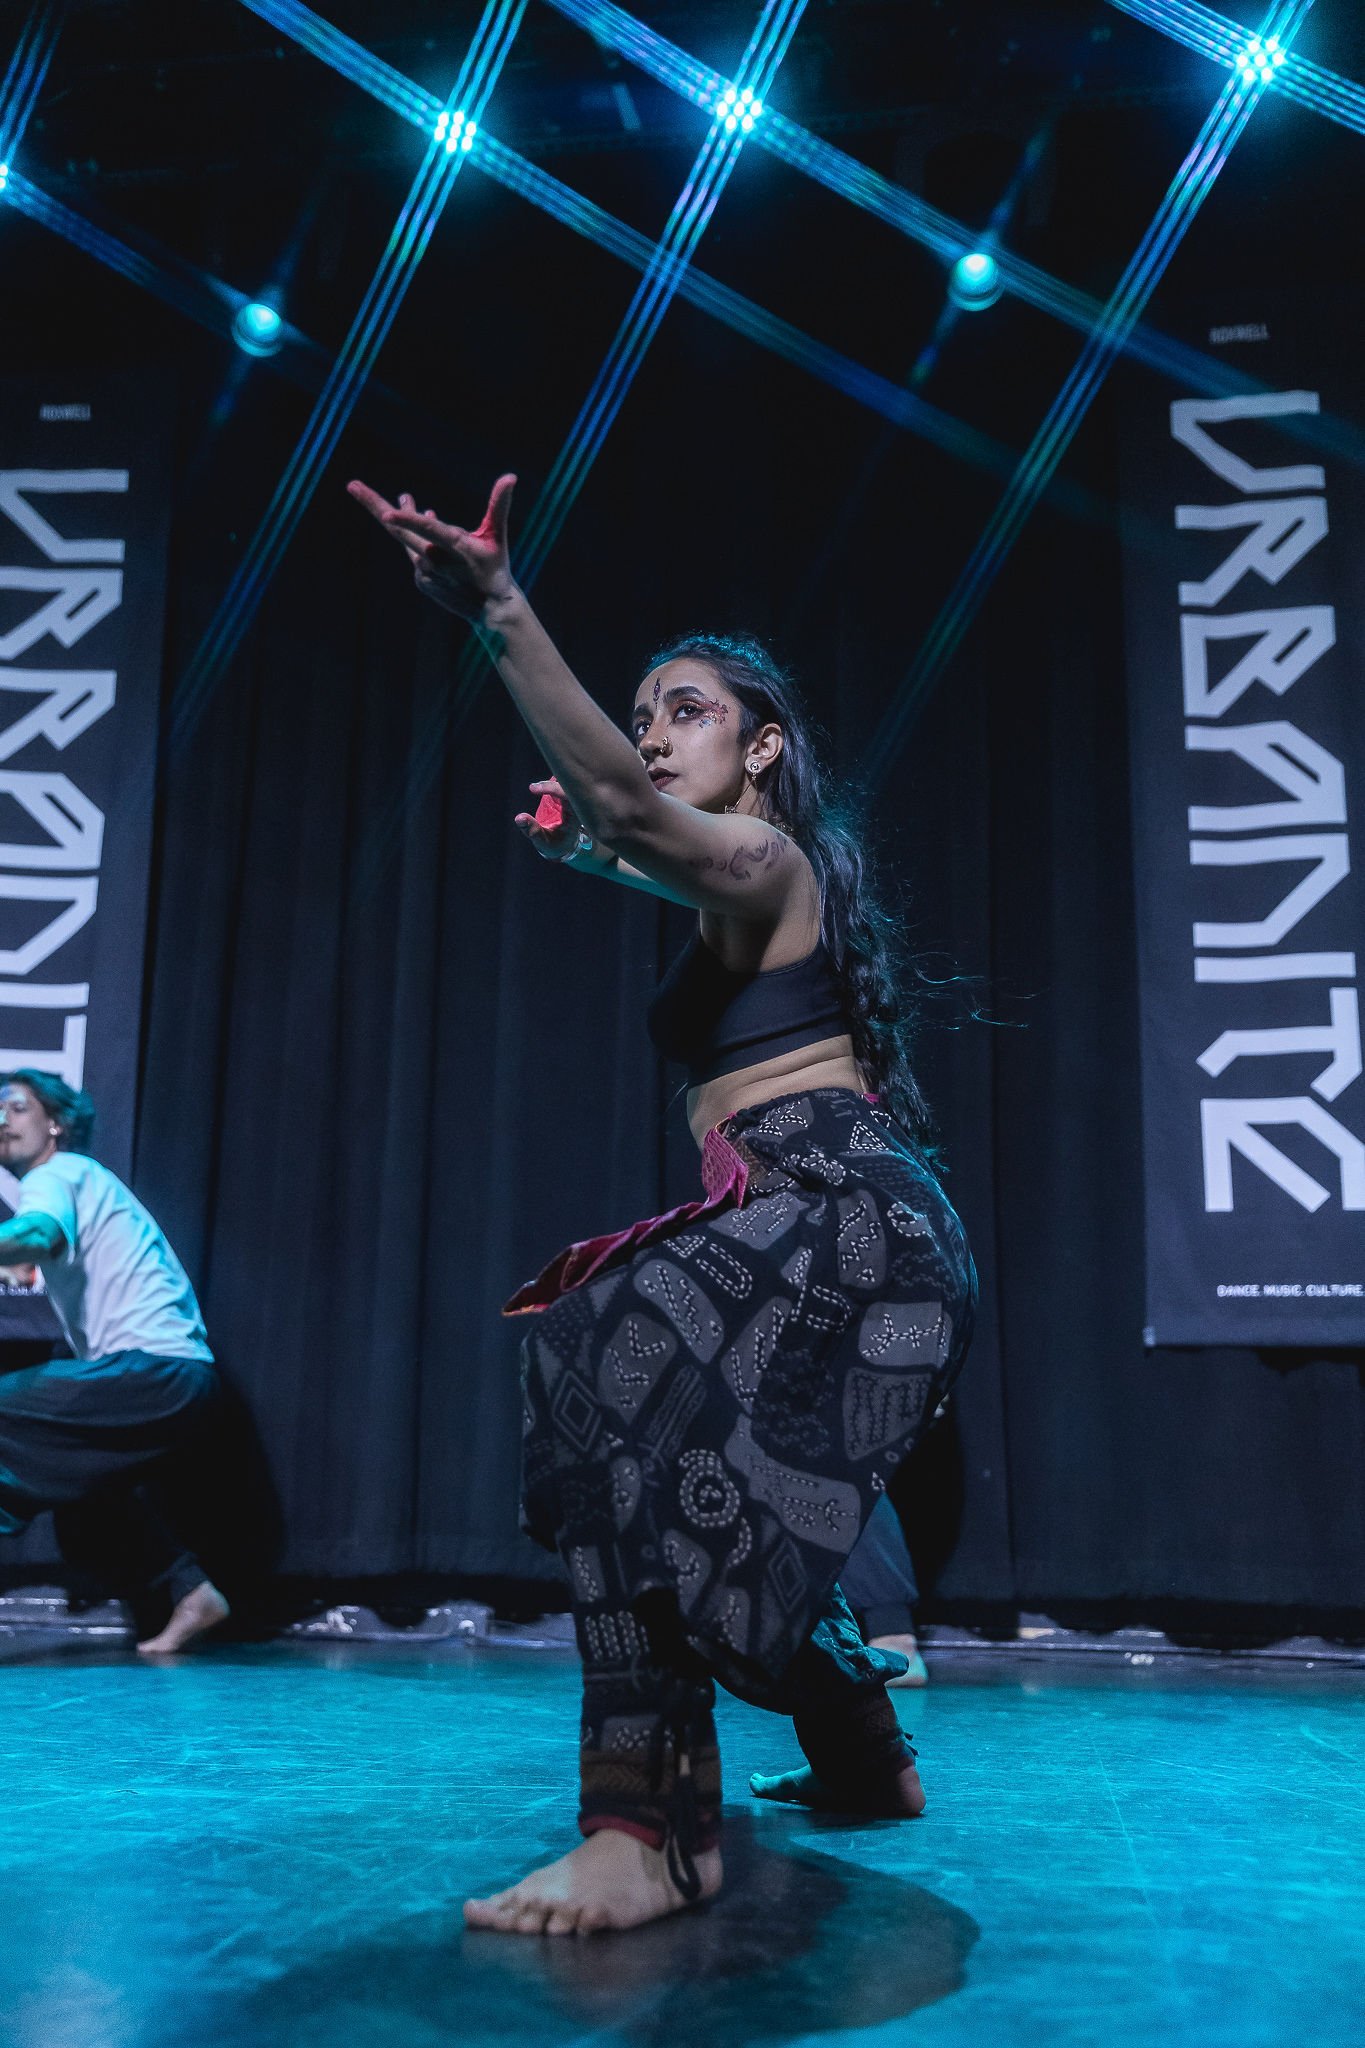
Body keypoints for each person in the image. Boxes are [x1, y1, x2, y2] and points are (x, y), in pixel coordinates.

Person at [350, 474, 976, 1936]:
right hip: (850, 1227)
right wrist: (603, 843)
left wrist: (499, 609)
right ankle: (860, 1754)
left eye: (682, 707)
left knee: (597, 1356)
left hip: (849, 1215)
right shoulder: (734, 892)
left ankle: (647, 1828)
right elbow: (633, 829)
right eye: (642, 709)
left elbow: (636, 811)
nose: (649, 728)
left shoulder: (766, 858)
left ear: (763, 746)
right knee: (689, 1461)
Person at [0, 1071, 229, 1654]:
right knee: (83, 1490)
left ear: (56, 1124)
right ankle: (190, 1590)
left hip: (157, 1374)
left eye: (17, 1107)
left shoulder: (60, 1173)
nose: (2, 1120)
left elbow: (37, 1235)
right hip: (179, 1384)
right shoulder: (84, 1184)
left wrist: (19, 1249)